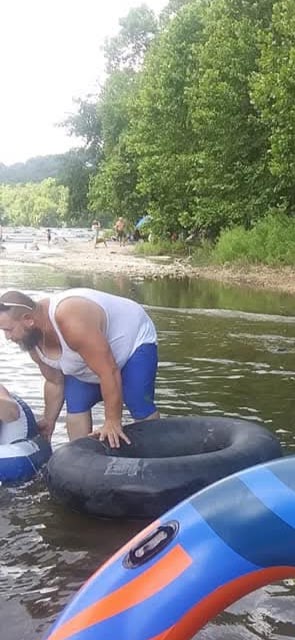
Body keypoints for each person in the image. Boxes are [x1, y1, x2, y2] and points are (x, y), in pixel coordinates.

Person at [0, 289, 160, 448]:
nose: (7, 337)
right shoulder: (31, 339)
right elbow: (55, 382)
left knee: (137, 401)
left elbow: (108, 371)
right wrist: (49, 420)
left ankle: (155, 450)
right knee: (76, 404)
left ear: (28, 319)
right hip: (90, 356)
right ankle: (82, 457)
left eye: (8, 330)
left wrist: (112, 421)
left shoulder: (70, 320)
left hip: (132, 341)